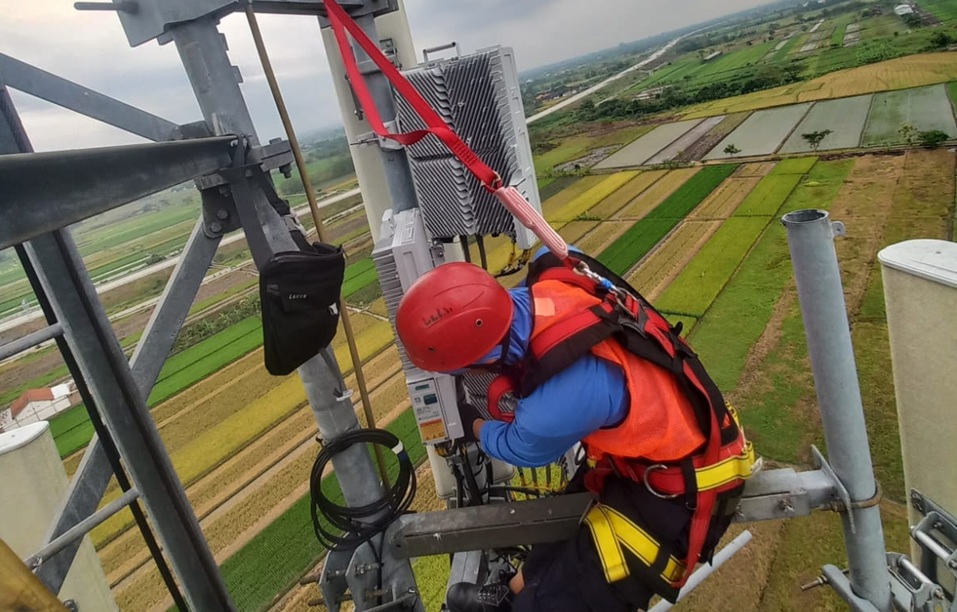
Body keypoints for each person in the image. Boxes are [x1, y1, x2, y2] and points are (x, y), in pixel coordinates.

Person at [394, 254, 754, 612]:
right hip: (649, 457)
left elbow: (517, 445)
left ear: (483, 360)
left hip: (685, 494)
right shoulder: (553, 279)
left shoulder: (551, 407)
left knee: (565, 598)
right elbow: (554, 254)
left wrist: (471, 424)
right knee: (556, 533)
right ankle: (510, 594)